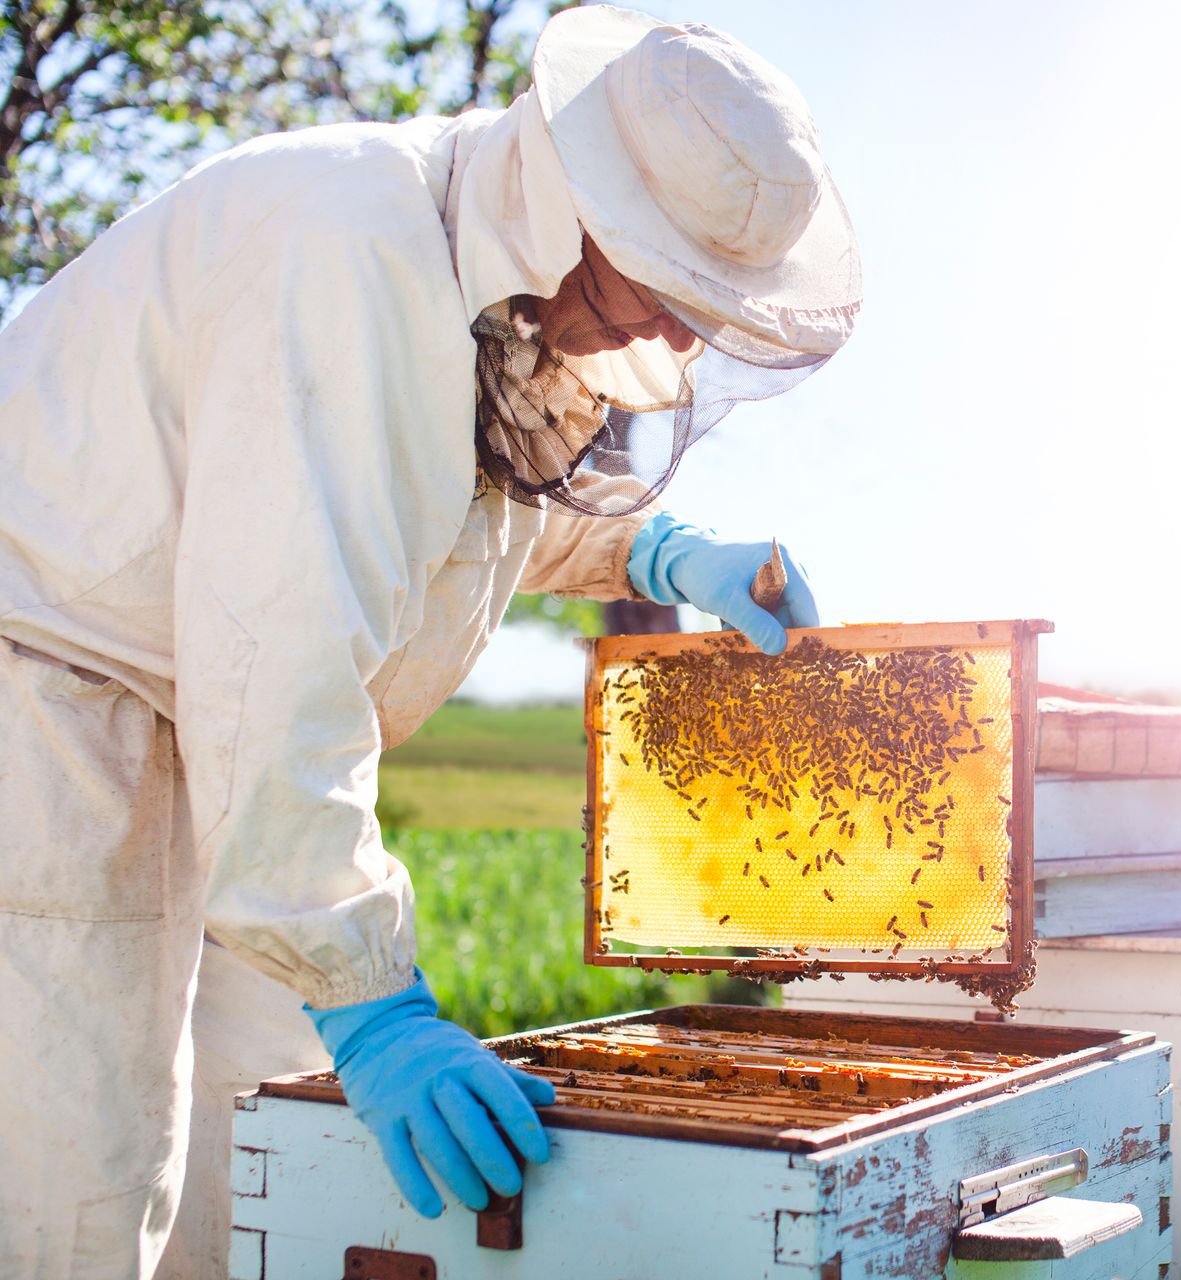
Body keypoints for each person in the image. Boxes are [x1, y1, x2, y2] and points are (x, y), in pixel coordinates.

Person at [0, 7, 859, 1277]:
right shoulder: (349, 252)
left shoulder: (496, 289)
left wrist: (660, 552)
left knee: (263, 1146)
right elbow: (278, 633)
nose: (679, 340)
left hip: (205, 727)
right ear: (583, 214)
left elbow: (459, 512)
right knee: (80, 1180)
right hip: (61, 702)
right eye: (668, 293)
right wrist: (378, 1004)